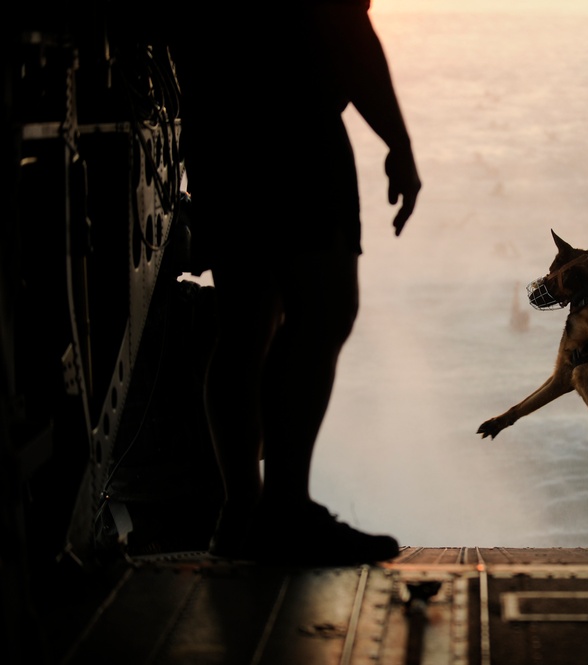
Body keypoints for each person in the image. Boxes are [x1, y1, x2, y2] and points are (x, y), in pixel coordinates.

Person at [171, 1, 421, 564]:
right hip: (297, 130)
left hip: (218, 128)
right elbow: (344, 26)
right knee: (324, 310)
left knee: (245, 320)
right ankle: (283, 510)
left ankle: (241, 513)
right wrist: (397, 141)